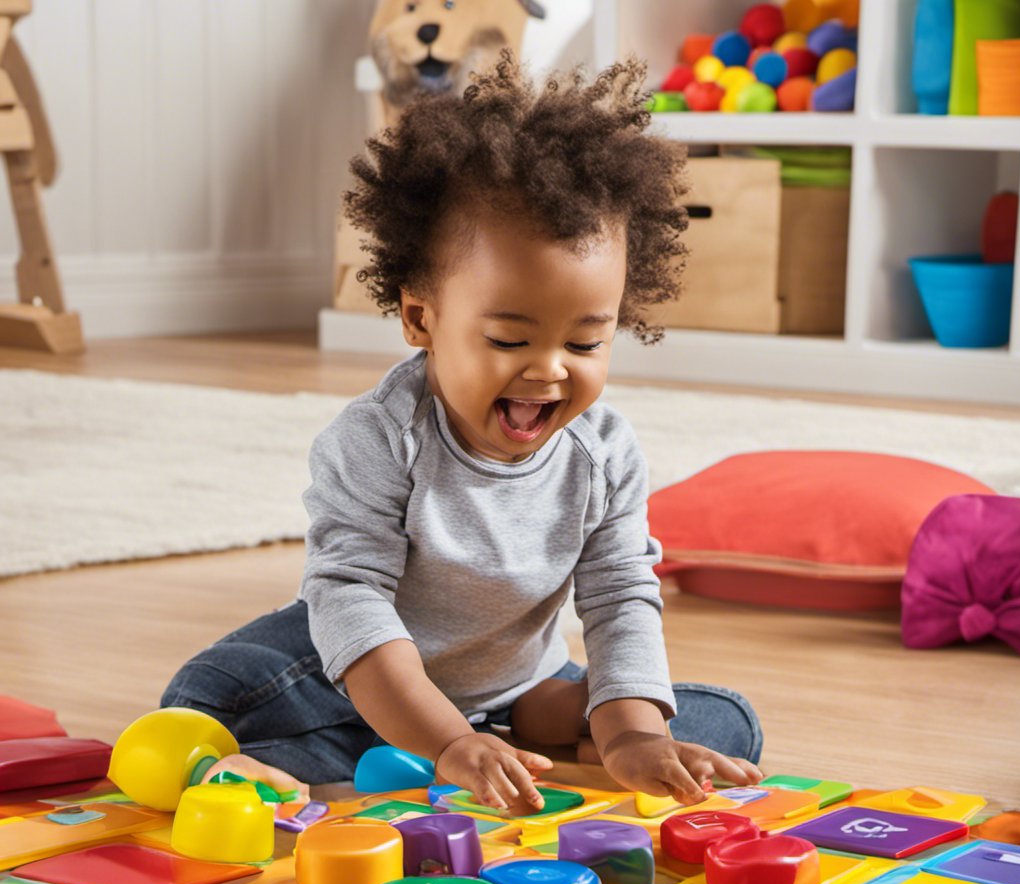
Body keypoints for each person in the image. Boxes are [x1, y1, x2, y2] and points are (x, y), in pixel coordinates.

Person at [161, 52, 763, 814]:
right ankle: (390, 755)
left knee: (721, 724)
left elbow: (618, 598)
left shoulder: (603, 455)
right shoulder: (380, 441)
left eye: (584, 344)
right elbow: (352, 600)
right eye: (510, 341)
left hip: (512, 691)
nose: (549, 372)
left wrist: (633, 738)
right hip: (347, 681)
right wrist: (444, 742)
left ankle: (456, 755)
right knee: (206, 703)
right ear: (422, 317)